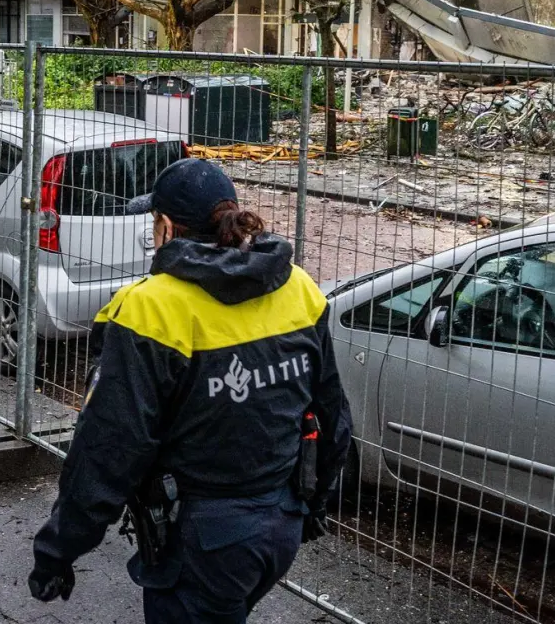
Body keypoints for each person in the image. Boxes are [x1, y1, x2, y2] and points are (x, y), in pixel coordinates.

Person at [30, 158, 352, 623]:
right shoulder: (297, 287)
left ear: (164, 226)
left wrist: (58, 549)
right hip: (280, 522)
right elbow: (334, 415)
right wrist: (313, 504)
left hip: (203, 537)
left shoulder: (148, 310)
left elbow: (108, 447)